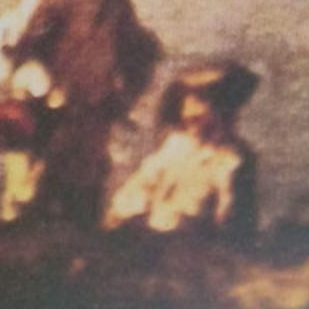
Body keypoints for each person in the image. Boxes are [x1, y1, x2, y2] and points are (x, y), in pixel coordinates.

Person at [0, 0, 159, 225]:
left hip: (66, 114)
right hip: (60, 111)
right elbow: (29, 47)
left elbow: (90, 57)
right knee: (49, 195)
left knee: (46, 198)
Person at [106, 64, 259, 239]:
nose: (189, 112)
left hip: (194, 249)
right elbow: (134, 192)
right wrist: (128, 213)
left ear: (224, 111)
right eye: (188, 101)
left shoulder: (232, 160)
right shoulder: (175, 146)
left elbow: (230, 227)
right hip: (151, 242)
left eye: (201, 101)